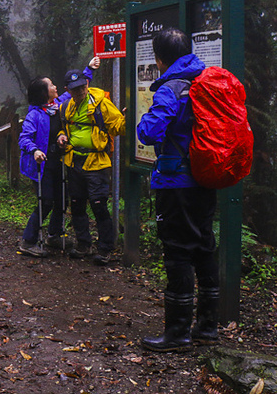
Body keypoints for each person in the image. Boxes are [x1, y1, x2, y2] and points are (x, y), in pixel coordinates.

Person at [136, 27, 218, 352]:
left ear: (159, 59)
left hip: (176, 183)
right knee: (204, 247)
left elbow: (149, 131)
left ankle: (177, 333)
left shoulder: (171, 88)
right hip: (204, 178)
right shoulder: (204, 81)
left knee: (178, 252)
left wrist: (143, 122)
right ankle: (208, 327)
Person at [56, 60, 125, 263]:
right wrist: (61, 136)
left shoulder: (100, 102)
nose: (79, 92)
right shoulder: (65, 106)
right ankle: (83, 244)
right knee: (77, 204)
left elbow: (117, 126)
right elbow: (62, 128)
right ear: (67, 90)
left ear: (86, 85)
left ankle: (105, 248)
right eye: (75, 89)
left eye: (82, 87)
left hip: (96, 163)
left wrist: (129, 118)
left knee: (98, 205)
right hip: (73, 161)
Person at [17, 76, 66, 256]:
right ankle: (28, 241)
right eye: (51, 85)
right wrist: (35, 150)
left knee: (62, 199)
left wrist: (89, 69)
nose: (55, 86)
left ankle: (54, 235)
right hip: (41, 165)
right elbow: (24, 138)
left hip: (57, 162)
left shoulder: (57, 107)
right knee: (45, 202)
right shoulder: (35, 115)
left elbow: (72, 91)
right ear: (44, 92)